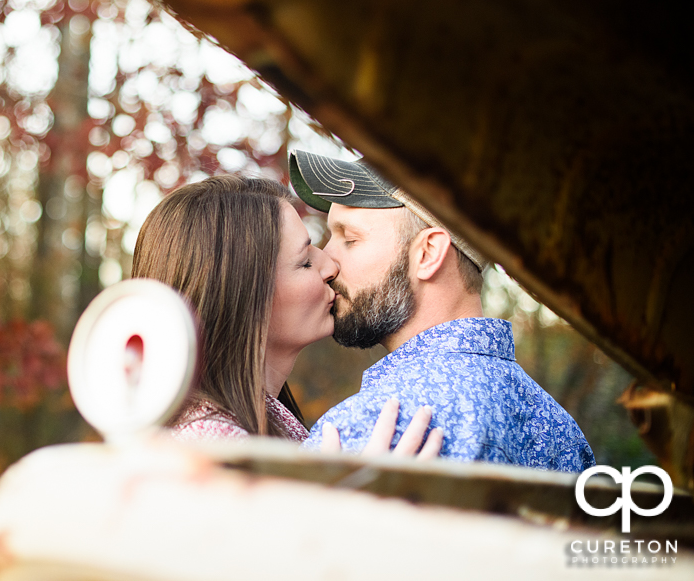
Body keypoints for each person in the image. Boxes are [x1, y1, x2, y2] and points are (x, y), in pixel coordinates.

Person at [289, 149, 595, 472]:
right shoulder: (565, 436)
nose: (327, 260)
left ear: (428, 253)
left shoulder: (361, 433)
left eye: (349, 239)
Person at [132, 174, 442, 459]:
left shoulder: (253, 430)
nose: (330, 266)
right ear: (244, 298)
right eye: (305, 262)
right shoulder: (212, 451)